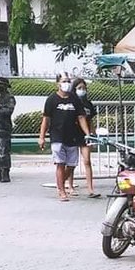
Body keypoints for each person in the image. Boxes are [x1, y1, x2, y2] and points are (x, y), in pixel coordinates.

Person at [38, 74, 91, 202]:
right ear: (58, 83)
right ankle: (62, 191)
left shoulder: (74, 99)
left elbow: (81, 117)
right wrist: (42, 137)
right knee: (60, 163)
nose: (66, 83)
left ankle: (60, 182)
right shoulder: (51, 99)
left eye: (68, 81)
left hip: (72, 136)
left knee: (72, 165)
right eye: (64, 81)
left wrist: (87, 133)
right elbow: (46, 119)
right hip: (57, 136)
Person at [72, 78, 100, 199]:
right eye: (79, 88)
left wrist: (93, 135)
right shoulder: (71, 103)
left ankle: (90, 188)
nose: (82, 90)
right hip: (73, 133)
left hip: (86, 134)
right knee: (71, 163)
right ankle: (70, 185)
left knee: (87, 161)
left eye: (84, 88)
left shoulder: (88, 104)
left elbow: (91, 121)